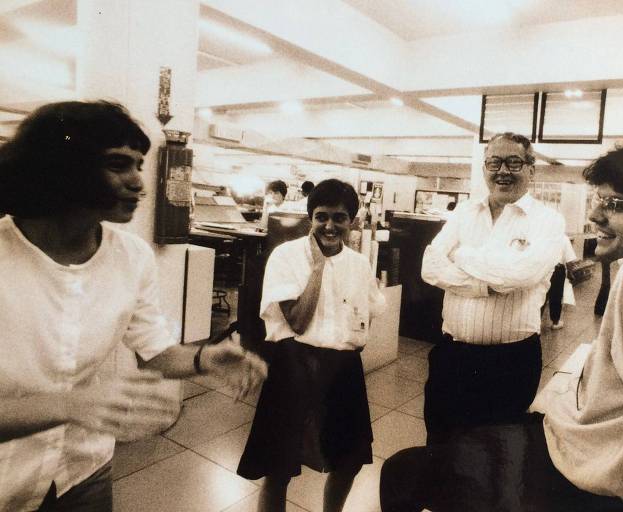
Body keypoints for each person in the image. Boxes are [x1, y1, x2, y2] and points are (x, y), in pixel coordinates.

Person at [381, 136, 623, 512]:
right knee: (448, 447)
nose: (596, 215)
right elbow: (432, 266)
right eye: (599, 201)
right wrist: (488, 280)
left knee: (403, 472)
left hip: (576, 466)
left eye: (613, 204)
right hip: (468, 364)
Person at [0, 101, 267, 511]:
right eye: (118, 164)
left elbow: (154, 352)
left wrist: (205, 358)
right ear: (60, 165)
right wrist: (70, 405)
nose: (138, 183)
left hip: (82, 471)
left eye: (139, 165)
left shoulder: (131, 257)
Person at [237, 179, 386, 512]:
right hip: (294, 363)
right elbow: (298, 321)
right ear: (310, 218)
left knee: (349, 460)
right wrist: (318, 267)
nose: (329, 226)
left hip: (343, 367)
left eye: (339, 217)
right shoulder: (286, 256)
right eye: (321, 217)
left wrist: (351, 339)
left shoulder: (359, 264)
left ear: (352, 222)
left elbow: (372, 310)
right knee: (279, 465)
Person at [420, 132, 565, 444]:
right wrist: (482, 287)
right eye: (494, 162)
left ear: (531, 170)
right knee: (441, 442)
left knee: (496, 453)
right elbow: (429, 266)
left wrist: (460, 255)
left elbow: (521, 275)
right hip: (453, 355)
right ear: (484, 167)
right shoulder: (464, 211)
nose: (503, 171)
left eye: (513, 163)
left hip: (510, 362)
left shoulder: (547, 220)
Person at [543, 235, 578, 329]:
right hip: (557, 270)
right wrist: (570, 274)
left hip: (542, 269)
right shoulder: (563, 238)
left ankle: (535, 323)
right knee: (556, 296)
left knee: (540, 295)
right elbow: (570, 261)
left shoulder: (541, 236)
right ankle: (555, 322)